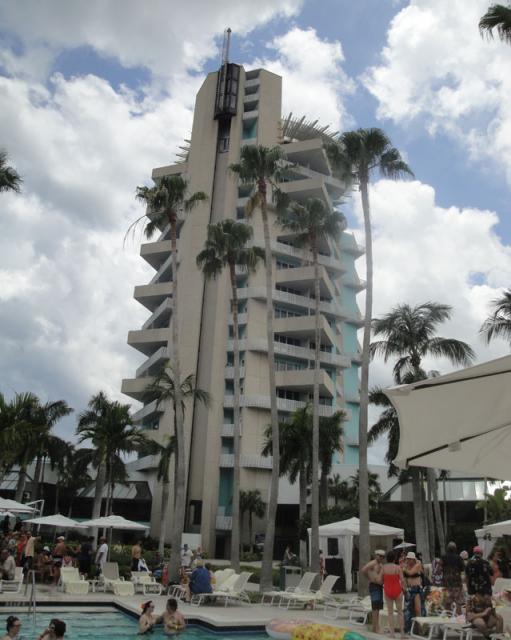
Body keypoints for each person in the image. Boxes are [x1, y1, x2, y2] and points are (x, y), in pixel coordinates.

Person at [382, 550, 405, 639]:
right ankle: (402, 634)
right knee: (400, 613)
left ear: (387, 559)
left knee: (390, 613)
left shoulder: (383, 568)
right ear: (394, 558)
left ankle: (392, 634)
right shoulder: (398, 568)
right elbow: (402, 580)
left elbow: (381, 579)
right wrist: (404, 589)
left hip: (388, 590)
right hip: (397, 590)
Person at [361, 549, 385, 634]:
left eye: (383, 557)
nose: (381, 558)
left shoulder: (380, 565)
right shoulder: (373, 563)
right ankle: (375, 628)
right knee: (375, 608)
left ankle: (376, 626)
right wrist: (369, 578)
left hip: (379, 586)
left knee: (378, 608)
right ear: (376, 555)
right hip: (374, 586)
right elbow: (363, 570)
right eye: (380, 556)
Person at [403, 551, 425, 633]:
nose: (408, 560)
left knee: (418, 610)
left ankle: (420, 629)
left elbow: (411, 573)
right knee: (408, 610)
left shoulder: (418, 565)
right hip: (409, 589)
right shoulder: (406, 566)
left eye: (410, 559)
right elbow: (404, 578)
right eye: (408, 559)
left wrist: (404, 569)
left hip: (416, 589)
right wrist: (404, 588)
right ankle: (410, 628)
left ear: (413, 559)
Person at [442, 541, 465, 614]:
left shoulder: (443, 557)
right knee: (458, 602)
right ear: (455, 549)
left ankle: (448, 617)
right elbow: (462, 569)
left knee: (447, 602)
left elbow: (440, 568)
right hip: (457, 583)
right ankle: (458, 618)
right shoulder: (459, 558)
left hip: (446, 583)